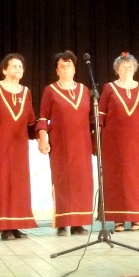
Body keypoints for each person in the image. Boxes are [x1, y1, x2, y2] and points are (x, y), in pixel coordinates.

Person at [36, 51, 94, 235]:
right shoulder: (51, 90)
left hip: (82, 145)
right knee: (63, 182)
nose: (66, 69)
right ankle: (63, 222)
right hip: (61, 145)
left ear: (75, 69)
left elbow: (91, 120)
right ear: (57, 70)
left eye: (69, 66)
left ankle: (78, 224)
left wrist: (94, 143)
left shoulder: (85, 90)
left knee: (82, 182)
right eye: (62, 66)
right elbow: (43, 117)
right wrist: (43, 139)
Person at [99, 53, 139, 232]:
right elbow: (100, 115)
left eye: (130, 67)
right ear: (117, 69)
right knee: (118, 178)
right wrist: (97, 140)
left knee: (136, 179)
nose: (127, 69)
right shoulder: (108, 88)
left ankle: (136, 218)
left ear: (135, 69)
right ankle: (119, 219)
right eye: (123, 67)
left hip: (138, 142)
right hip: (114, 142)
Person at [0, 54, 38, 241]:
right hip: (0, 144)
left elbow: (30, 120)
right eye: (14, 66)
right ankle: (4, 227)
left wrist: (42, 135)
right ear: (4, 70)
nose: (18, 69)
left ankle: (16, 224)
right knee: (2, 184)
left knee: (19, 185)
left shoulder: (26, 92)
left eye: (20, 66)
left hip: (19, 145)